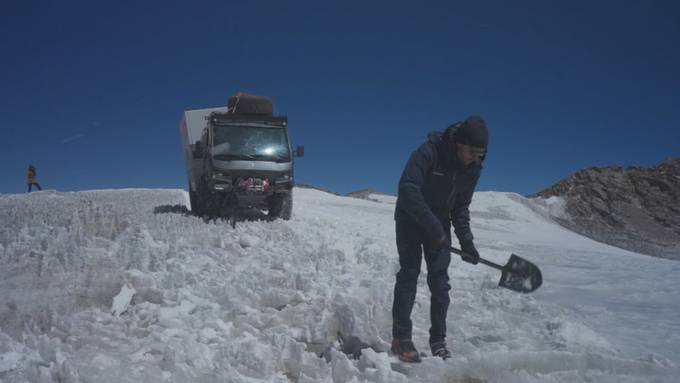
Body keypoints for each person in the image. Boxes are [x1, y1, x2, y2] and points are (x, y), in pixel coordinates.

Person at [391, 115, 488, 362]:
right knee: (409, 274)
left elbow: (460, 208)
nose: (476, 158)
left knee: (440, 283)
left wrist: (467, 243)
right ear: (460, 144)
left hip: (439, 223)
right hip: (410, 217)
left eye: (481, 153)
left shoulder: (473, 168)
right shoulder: (430, 151)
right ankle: (401, 338)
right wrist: (434, 227)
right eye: (473, 152)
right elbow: (407, 188)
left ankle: (438, 340)